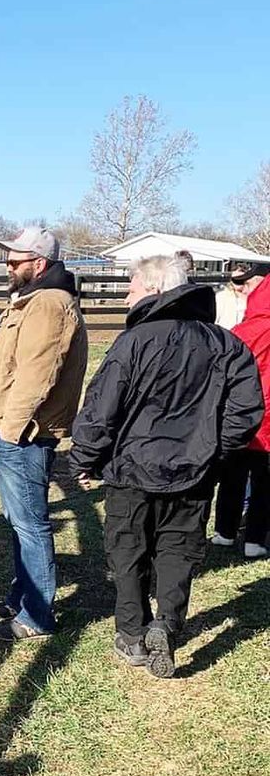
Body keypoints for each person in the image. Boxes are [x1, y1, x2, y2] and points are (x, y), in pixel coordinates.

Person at [70, 255, 264, 676]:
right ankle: (167, 622)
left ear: (156, 290)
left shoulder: (134, 342)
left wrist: (84, 457)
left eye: (133, 287)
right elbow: (247, 410)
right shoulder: (225, 343)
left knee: (128, 548)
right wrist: (216, 452)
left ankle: (133, 632)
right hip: (193, 471)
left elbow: (101, 408)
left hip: (133, 470)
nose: (127, 294)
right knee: (179, 549)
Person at [0, 227, 88, 639]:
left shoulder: (49, 305)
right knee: (21, 525)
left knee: (32, 526)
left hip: (23, 435)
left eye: (15, 260)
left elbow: (38, 374)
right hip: (13, 432)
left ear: (39, 263)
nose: (8, 266)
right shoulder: (34, 301)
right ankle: (21, 598)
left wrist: (11, 430)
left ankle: (37, 614)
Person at [212, 264, 270, 558]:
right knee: (264, 483)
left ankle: (224, 530)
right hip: (268, 420)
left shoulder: (243, 331)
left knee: (232, 475)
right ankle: (255, 539)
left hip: (241, 412)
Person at [215, 260, 267, 330]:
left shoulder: (257, 306)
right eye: (236, 281)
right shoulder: (221, 297)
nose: (244, 290)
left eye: (247, 284)